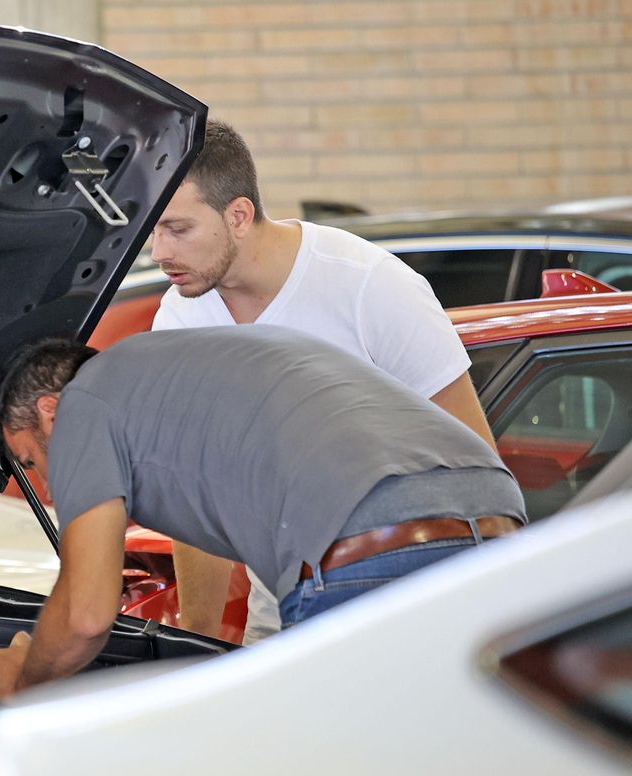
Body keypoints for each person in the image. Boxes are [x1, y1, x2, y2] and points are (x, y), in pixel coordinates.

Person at [0, 330, 524, 701]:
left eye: (31, 460)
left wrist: (22, 681)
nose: (46, 484)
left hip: (368, 537)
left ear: (49, 412)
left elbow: (86, 613)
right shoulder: (170, 368)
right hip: (497, 519)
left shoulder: (82, 404)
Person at [149, 121, 495, 642]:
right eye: (153, 229)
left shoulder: (370, 286)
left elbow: (476, 467)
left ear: (238, 216)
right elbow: (196, 496)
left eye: (177, 229)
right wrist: (195, 641)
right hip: (282, 611)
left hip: (401, 607)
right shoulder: (181, 319)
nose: (159, 251)